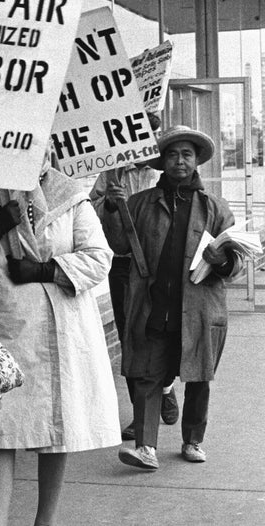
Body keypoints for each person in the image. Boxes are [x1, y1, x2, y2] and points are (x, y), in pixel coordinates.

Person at [0, 150, 121, 526]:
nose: (37, 154)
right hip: (8, 324)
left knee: (56, 426)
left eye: (44, 145)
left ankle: (45, 520)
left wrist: (46, 269)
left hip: (60, 326)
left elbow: (99, 256)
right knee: (4, 427)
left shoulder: (71, 196)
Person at [102, 125, 243, 470]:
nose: (179, 161)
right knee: (147, 374)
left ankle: (193, 440)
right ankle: (145, 447)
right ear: (162, 161)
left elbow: (236, 262)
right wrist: (111, 208)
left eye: (186, 155)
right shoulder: (138, 203)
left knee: (198, 375)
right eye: (172, 154)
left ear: (196, 162)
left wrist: (221, 260)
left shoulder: (215, 207)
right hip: (154, 304)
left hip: (199, 307)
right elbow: (120, 246)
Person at [90, 111, 179, 439]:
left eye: (150, 134)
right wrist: (112, 206)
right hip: (125, 264)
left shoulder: (164, 168)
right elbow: (92, 207)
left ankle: (166, 384)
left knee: (163, 332)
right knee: (131, 337)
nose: (143, 141)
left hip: (159, 263)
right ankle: (142, 414)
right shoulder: (112, 170)